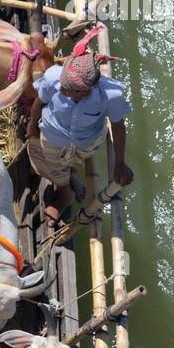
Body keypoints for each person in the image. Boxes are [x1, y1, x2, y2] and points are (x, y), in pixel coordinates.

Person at [27, 31, 134, 225]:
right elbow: (38, 103)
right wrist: (32, 126)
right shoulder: (54, 78)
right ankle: (65, 189)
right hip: (53, 135)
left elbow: (118, 127)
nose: (62, 90)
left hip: (86, 143)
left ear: (86, 90)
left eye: (68, 90)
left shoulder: (110, 95)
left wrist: (120, 162)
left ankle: (66, 184)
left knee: (67, 163)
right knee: (46, 162)